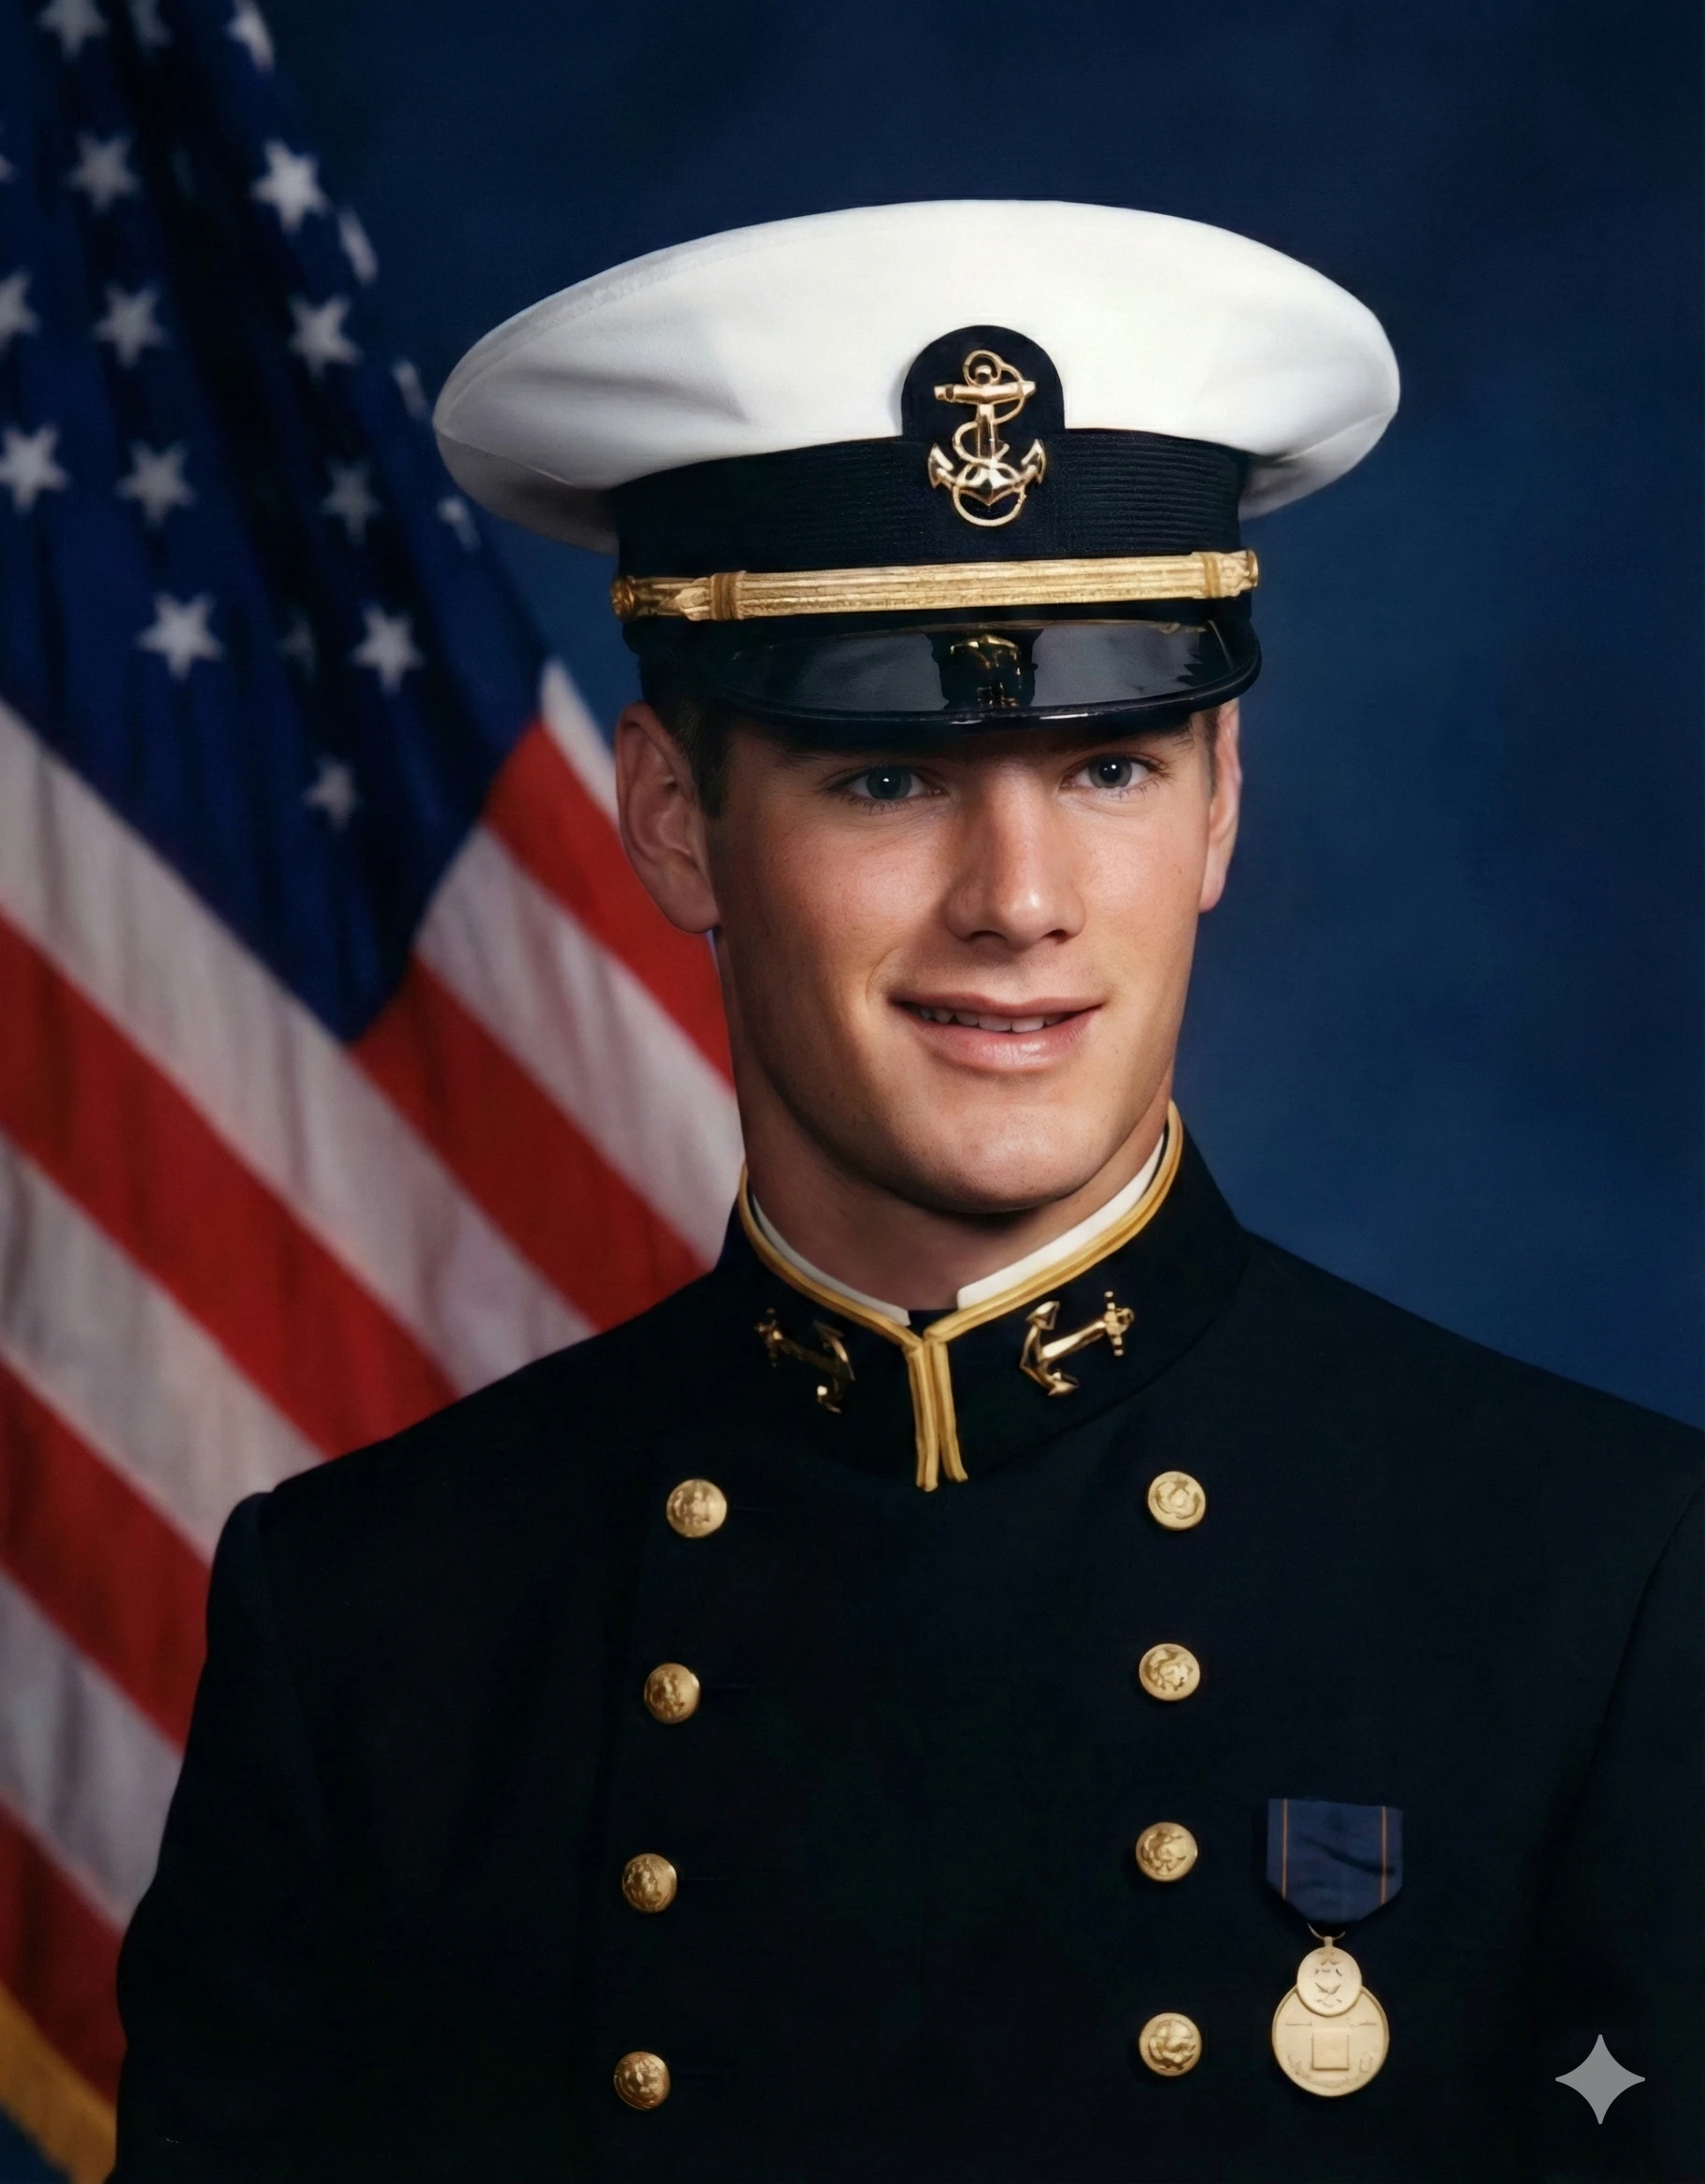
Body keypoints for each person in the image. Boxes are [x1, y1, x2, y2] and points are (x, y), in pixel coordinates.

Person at [113, 201, 1701, 2183]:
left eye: (1109, 766)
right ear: (676, 823)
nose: (1019, 902)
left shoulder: (1604, 1579)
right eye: (889, 777)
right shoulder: (369, 1623)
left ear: (1223, 795)